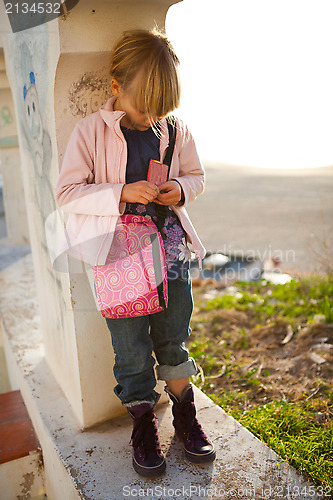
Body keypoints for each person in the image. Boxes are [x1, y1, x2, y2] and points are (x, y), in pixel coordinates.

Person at [55, 28, 215, 478]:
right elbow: (67, 193)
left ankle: (184, 413)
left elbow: (198, 177)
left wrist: (179, 189)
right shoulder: (91, 132)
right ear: (115, 89)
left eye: (161, 109)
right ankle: (144, 424)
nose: (151, 118)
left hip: (170, 255)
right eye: (143, 106)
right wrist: (121, 191)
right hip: (118, 260)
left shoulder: (175, 129)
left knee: (173, 335)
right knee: (129, 350)